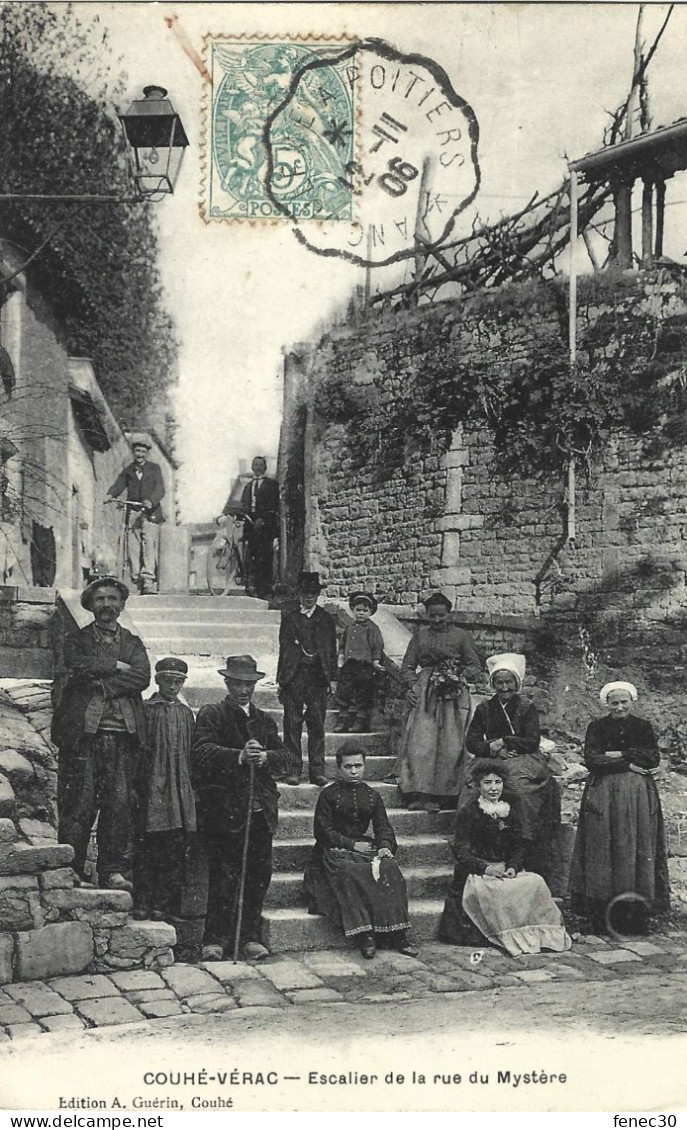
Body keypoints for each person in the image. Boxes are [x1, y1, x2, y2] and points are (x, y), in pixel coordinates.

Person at [191, 654, 293, 961]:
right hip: (225, 811)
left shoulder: (263, 720)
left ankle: (250, 937)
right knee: (224, 876)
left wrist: (266, 759)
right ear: (227, 682)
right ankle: (216, 939)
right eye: (237, 683)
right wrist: (238, 755)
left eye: (248, 683)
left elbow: (287, 756)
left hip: (260, 810)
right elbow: (201, 752)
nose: (243, 689)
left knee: (257, 876)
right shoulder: (213, 714)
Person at [51, 576, 150, 891]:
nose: (107, 605)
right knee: (78, 805)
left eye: (112, 599)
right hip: (85, 738)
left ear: (121, 605)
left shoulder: (133, 642)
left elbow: (142, 676)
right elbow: (76, 664)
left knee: (118, 806)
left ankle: (111, 870)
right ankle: (72, 869)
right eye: (100, 600)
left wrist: (105, 682)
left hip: (122, 737)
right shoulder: (77, 639)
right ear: (91, 606)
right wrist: (115, 665)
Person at [438, 760, 572, 956]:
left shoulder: (510, 808)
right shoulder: (470, 811)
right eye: (488, 783)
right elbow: (461, 851)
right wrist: (486, 869)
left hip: (504, 868)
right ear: (478, 785)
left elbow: (518, 845)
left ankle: (538, 935)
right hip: (478, 871)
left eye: (498, 782)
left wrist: (513, 867)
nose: (493, 788)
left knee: (536, 882)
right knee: (493, 890)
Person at [569, 681, 670, 935]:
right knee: (603, 849)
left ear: (632, 702)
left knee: (635, 847)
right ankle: (601, 916)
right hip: (603, 794)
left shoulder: (642, 726)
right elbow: (593, 759)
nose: (619, 706)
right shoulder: (597, 727)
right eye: (614, 702)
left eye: (624, 702)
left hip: (637, 797)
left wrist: (617, 755)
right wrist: (629, 762)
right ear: (607, 704)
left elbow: (652, 758)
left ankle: (634, 917)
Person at [304, 742, 419, 959]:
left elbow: (383, 826)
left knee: (389, 868)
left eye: (358, 765)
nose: (354, 771)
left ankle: (398, 933)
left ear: (365, 766)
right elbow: (322, 830)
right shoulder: (328, 795)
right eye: (348, 767)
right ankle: (365, 934)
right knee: (349, 871)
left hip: (364, 847)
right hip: (333, 849)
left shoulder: (372, 795)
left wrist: (385, 846)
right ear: (339, 769)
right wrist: (351, 844)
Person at [466, 652, 561, 882]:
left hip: (524, 757)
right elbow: (472, 741)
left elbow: (532, 740)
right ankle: (479, 850)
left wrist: (506, 741)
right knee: (472, 792)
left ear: (516, 684)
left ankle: (523, 844)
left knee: (519, 791)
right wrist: (493, 748)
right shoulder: (484, 709)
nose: (504, 687)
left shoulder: (526, 707)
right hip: (493, 758)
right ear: (493, 685)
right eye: (499, 682)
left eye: (509, 682)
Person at [396, 591, 481, 812]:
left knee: (450, 744)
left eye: (441, 615)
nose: (437, 620)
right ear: (427, 615)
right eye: (432, 616)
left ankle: (443, 796)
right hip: (425, 694)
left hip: (452, 696)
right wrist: (412, 685)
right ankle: (419, 793)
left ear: (448, 613)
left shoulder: (461, 636)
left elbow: (475, 667)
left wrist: (457, 674)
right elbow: (406, 667)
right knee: (421, 744)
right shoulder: (419, 637)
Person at [134, 657, 196, 922]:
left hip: (180, 791)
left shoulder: (185, 714)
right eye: (168, 681)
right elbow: (137, 751)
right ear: (158, 681)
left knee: (174, 848)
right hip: (152, 789)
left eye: (178, 681)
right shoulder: (146, 710)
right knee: (148, 848)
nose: (173, 686)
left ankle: (164, 905)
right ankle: (142, 902)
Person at [277, 571, 337, 787]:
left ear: (318, 595)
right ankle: (293, 770)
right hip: (294, 677)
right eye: (304, 593)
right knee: (291, 725)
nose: (308, 597)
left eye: (312, 593)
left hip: (318, 678)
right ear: (299, 594)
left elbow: (332, 652)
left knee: (317, 725)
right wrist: (281, 681)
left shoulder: (326, 619)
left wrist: (333, 680)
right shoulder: (290, 618)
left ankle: (317, 771)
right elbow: (283, 651)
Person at [106, 436, 165, 594]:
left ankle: (148, 580)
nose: (140, 454)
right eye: (137, 451)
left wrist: (151, 501)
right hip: (133, 512)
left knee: (148, 546)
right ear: (133, 452)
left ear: (147, 453)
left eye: (143, 451)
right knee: (133, 547)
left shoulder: (154, 469)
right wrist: (110, 494)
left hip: (150, 513)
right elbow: (119, 484)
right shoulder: (129, 470)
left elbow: (160, 489)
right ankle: (135, 578)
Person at [334, 591, 385, 733]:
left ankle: (359, 720)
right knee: (344, 690)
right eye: (358, 610)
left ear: (370, 612)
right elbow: (343, 645)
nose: (361, 613)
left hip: (365, 666)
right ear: (353, 610)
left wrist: (375, 661)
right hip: (350, 665)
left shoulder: (372, 628)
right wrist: (341, 657)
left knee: (362, 693)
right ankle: (343, 719)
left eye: (365, 610)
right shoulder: (350, 628)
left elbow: (377, 646)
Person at [237, 456, 279, 599]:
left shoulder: (272, 484)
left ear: (265, 467)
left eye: (261, 465)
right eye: (255, 465)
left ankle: (265, 589)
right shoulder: (248, 486)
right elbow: (243, 505)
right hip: (251, 526)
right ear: (252, 467)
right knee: (251, 556)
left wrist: (263, 519)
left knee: (265, 557)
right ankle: (252, 586)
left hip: (265, 527)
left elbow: (273, 506)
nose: (258, 467)